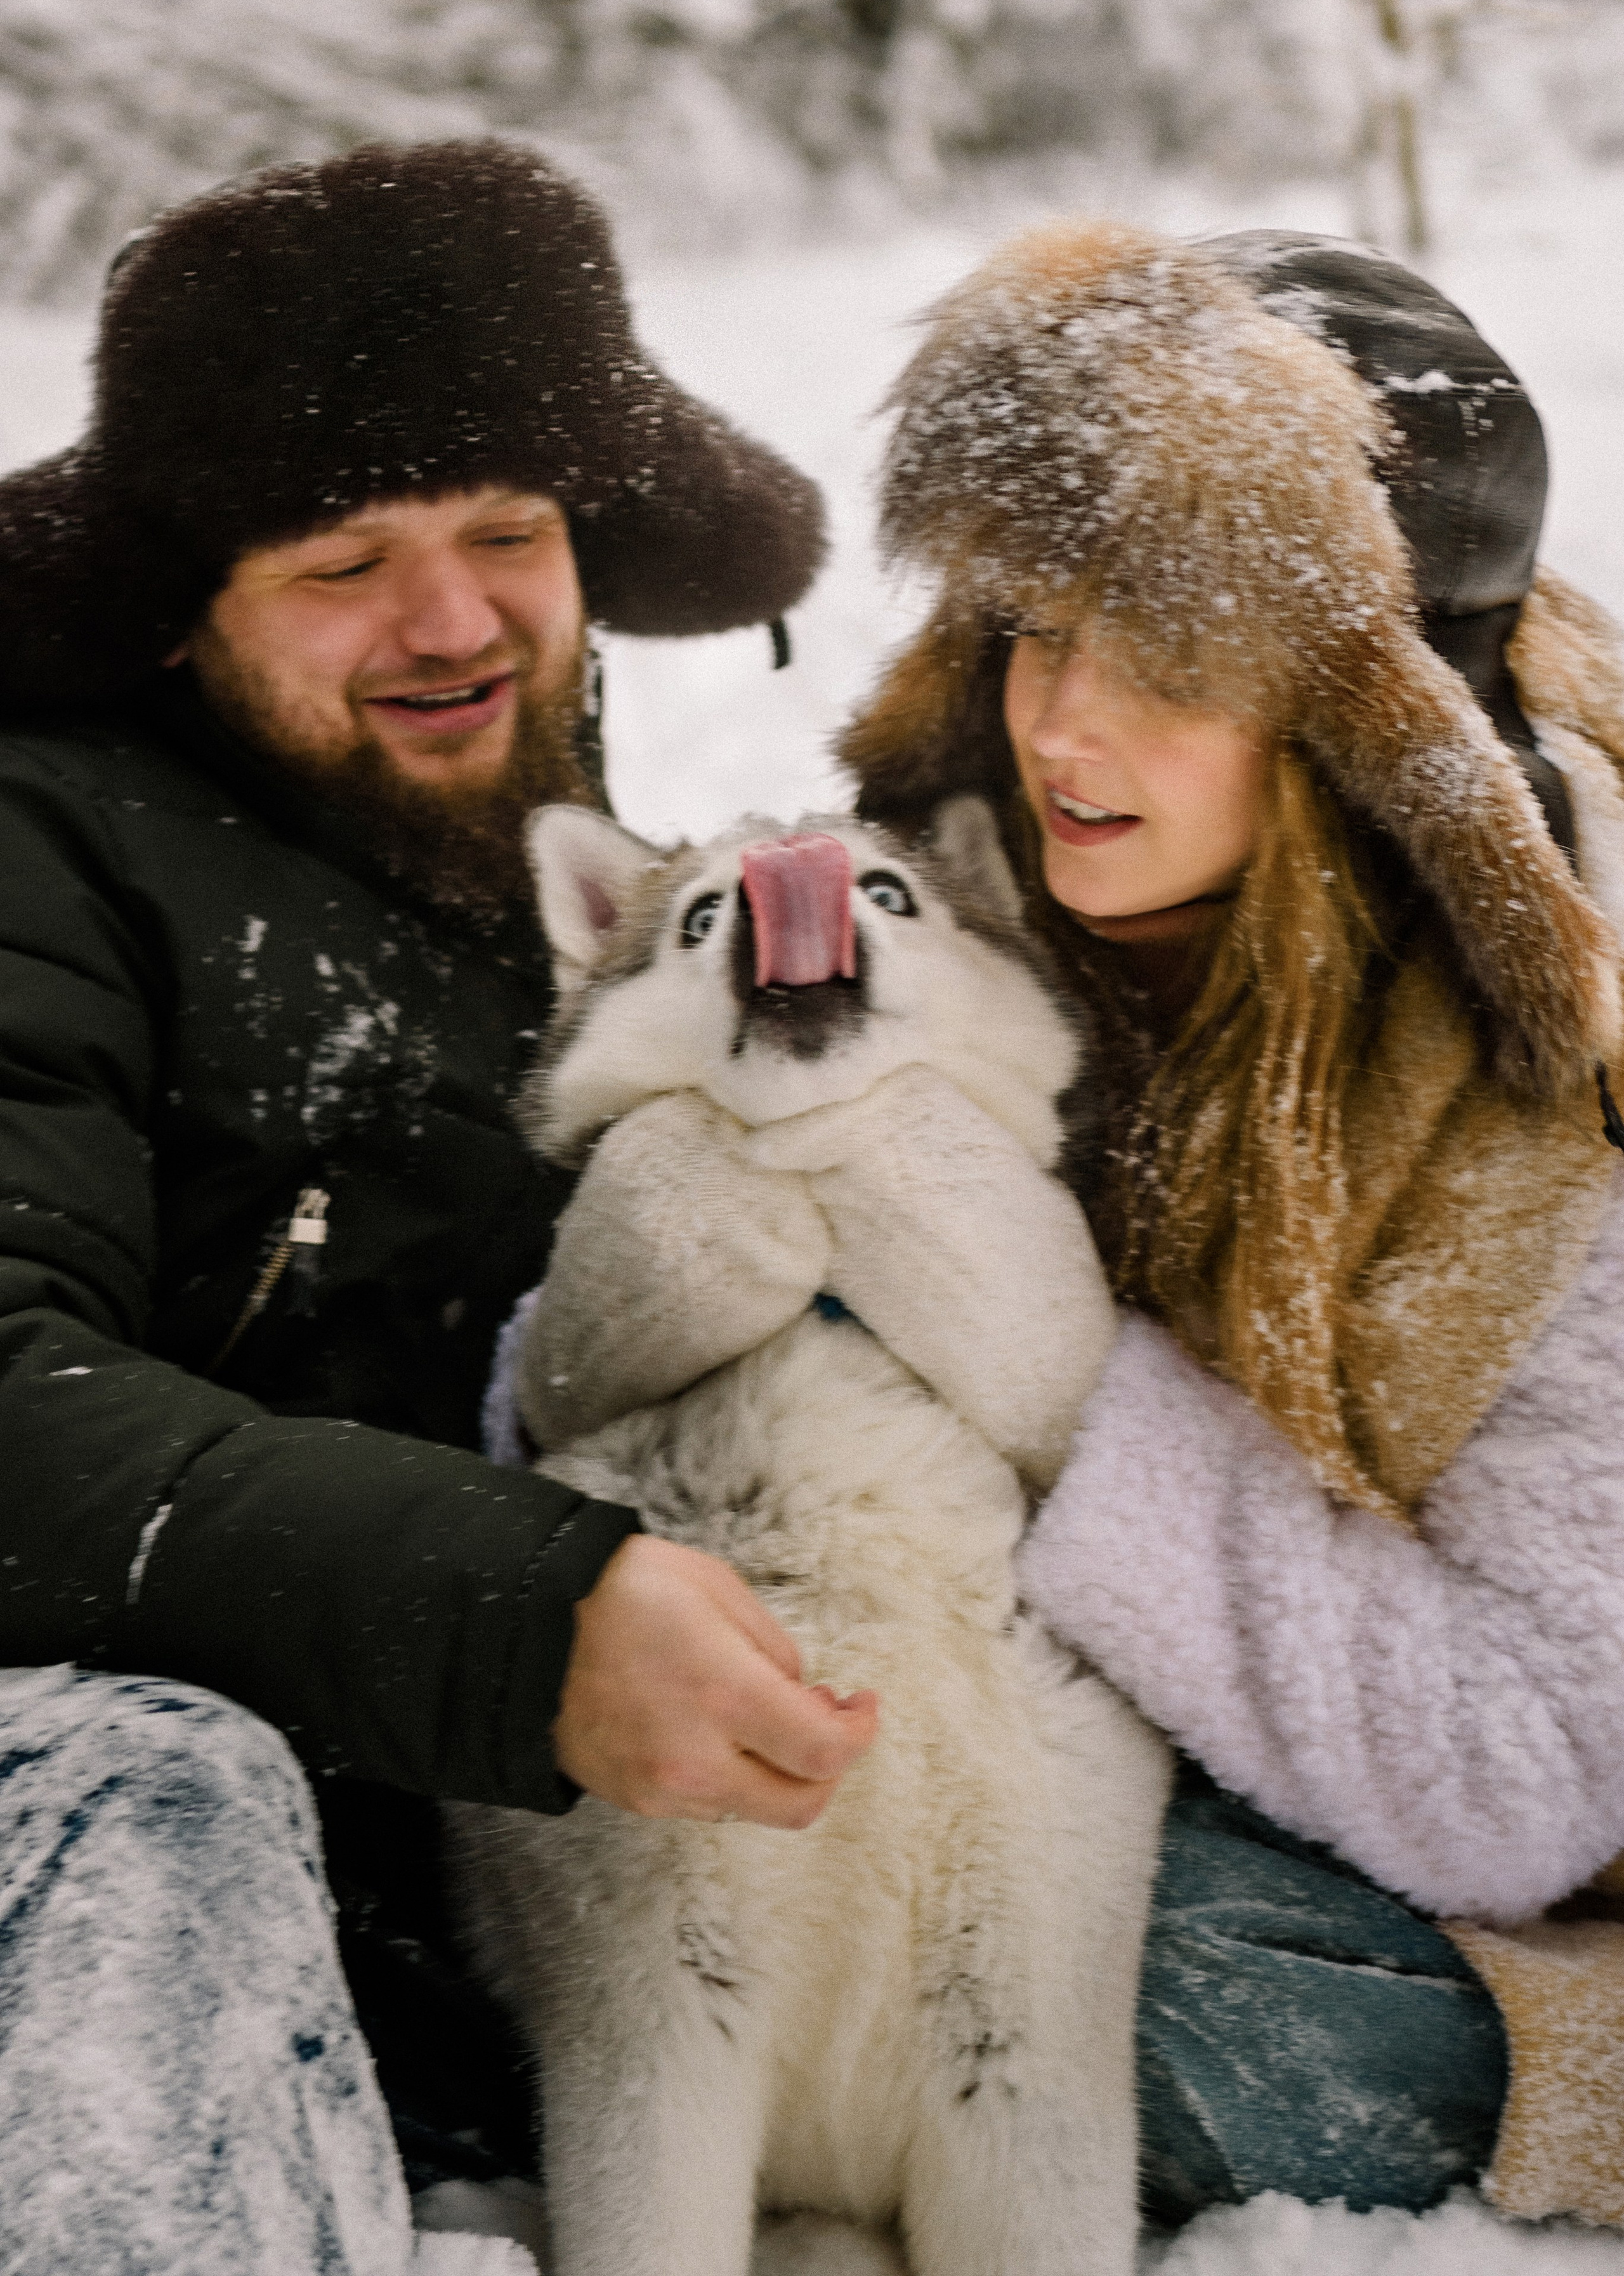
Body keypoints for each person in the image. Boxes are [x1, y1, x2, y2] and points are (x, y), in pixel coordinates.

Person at [0, 137, 875, 2272]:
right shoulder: (46, 853)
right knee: (160, 1795)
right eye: (341, 559)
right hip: (100, 1822)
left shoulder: (623, 909)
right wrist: (518, 1614)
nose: (454, 618)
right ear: (184, 601)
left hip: (502, 1895)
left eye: (508, 532)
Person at [838, 220, 1624, 2232]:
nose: (1063, 724)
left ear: (1371, 724)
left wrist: (1040, 1372)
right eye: (1030, 622)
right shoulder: (945, 900)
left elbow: (1527, 1772)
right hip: (1142, 1751)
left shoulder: (1565, 1097)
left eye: (1173, 657)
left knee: (1109, 1956)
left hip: (1525, 1911)